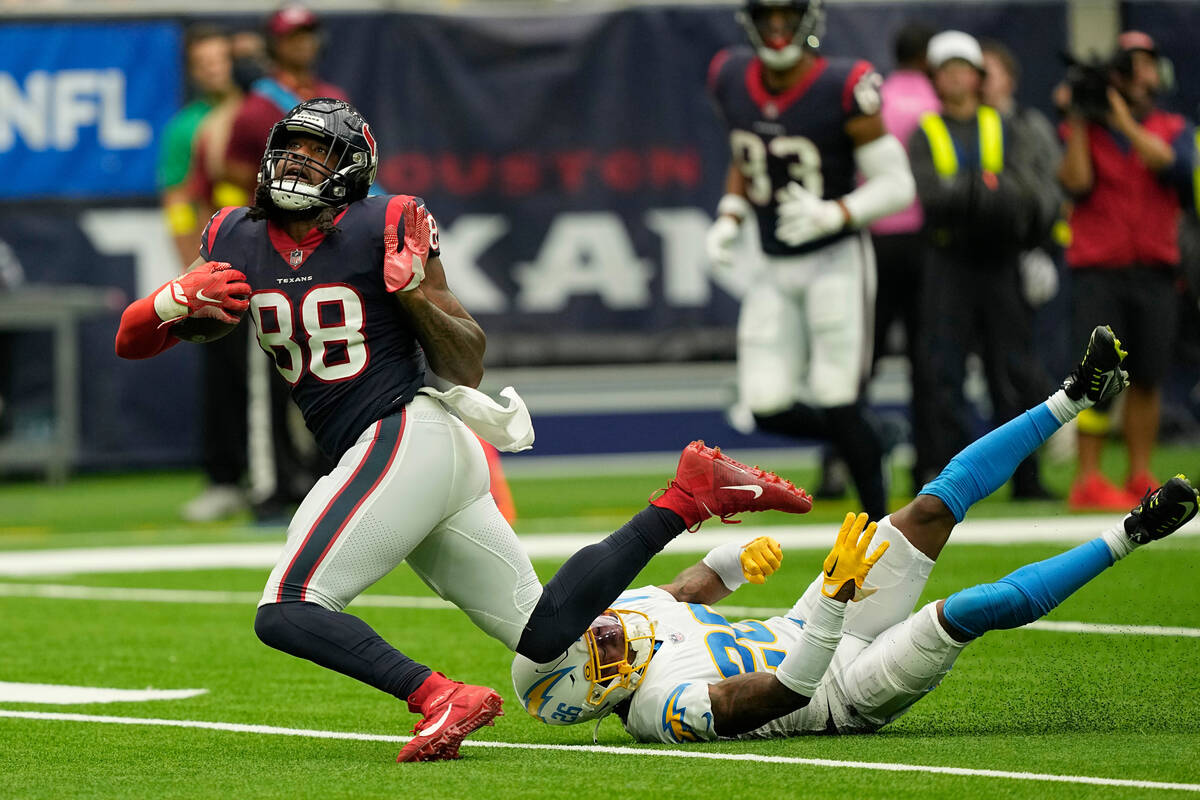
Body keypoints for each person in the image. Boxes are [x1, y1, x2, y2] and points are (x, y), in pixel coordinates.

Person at [113, 98, 816, 761]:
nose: (297, 166)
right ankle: (687, 498)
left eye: (316, 154)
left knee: (288, 609)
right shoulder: (232, 235)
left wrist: (412, 291)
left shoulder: (384, 222)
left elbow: (465, 363)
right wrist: (168, 302)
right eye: (289, 151)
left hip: (402, 433)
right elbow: (131, 341)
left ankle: (438, 696)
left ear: (351, 169)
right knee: (545, 636)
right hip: (402, 454)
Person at [515, 326, 1199, 741]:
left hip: (809, 618)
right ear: (592, 694)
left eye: (594, 627)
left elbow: (687, 590)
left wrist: (733, 556)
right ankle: (1133, 532)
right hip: (843, 690)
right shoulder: (659, 712)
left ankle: (1075, 394)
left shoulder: (629, 625)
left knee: (929, 507)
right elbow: (788, 692)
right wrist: (837, 598)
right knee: (962, 612)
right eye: (596, 646)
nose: (606, 629)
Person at [704, 0, 916, 522]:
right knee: (764, 401)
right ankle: (875, 437)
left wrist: (837, 212)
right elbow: (747, 151)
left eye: (788, 17)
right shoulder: (730, 75)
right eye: (767, 18)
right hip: (774, 264)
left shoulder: (844, 85)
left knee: (837, 395)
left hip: (835, 259)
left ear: (810, 21)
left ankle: (876, 529)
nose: (777, 29)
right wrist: (731, 213)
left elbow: (898, 185)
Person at [908, 30, 1053, 501]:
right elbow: (931, 196)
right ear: (935, 79)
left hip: (998, 262)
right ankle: (947, 483)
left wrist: (966, 193)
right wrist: (985, 191)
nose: (956, 78)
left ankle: (1026, 480)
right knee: (942, 372)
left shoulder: (1005, 126)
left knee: (1012, 372)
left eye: (963, 69)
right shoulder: (924, 132)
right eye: (946, 70)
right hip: (948, 262)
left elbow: (1022, 194)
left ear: (977, 77)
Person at [1058, 31, 1192, 510]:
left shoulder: (1171, 127)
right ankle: (1088, 479)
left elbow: (1170, 166)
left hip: (1154, 266)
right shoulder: (1087, 131)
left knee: (1150, 377)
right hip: (1099, 267)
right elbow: (1075, 183)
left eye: (1147, 65)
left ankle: (1139, 473)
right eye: (1131, 65)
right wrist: (1078, 119)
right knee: (1096, 375)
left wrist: (1119, 116)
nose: (1141, 75)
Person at [156, 26, 252, 521]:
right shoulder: (187, 128)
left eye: (222, 59)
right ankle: (225, 478)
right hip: (223, 265)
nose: (215, 68)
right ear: (194, 70)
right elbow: (178, 201)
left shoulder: (262, 110)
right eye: (205, 62)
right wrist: (189, 269)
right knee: (224, 370)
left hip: (282, 260)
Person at [870, 21, 940, 492]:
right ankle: (928, 467)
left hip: (875, 239)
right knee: (928, 360)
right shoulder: (934, 103)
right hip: (923, 240)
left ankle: (841, 462)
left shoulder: (876, 98)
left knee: (859, 362)